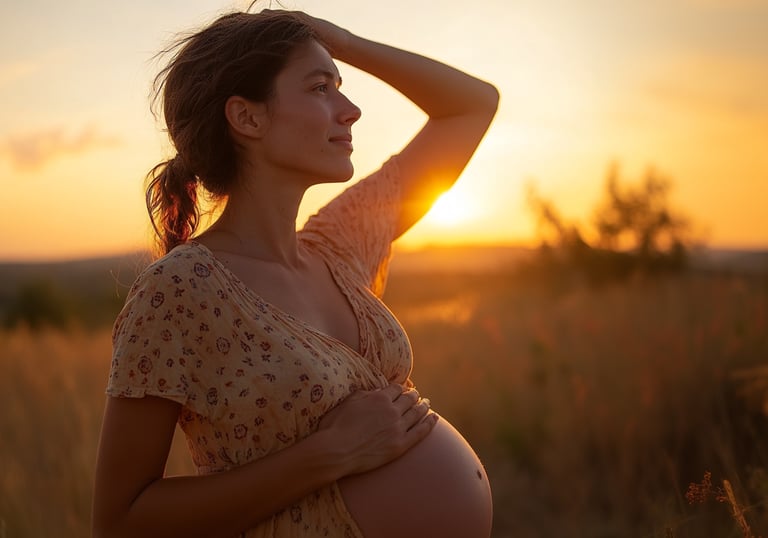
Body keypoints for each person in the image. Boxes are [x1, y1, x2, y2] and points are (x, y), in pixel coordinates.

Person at [93, 8, 498, 538]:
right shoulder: (181, 288)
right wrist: (327, 454)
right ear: (248, 118)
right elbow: (120, 521)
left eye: (340, 86)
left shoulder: (338, 246)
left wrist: (341, 41)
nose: (350, 110)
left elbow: (471, 108)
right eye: (320, 88)